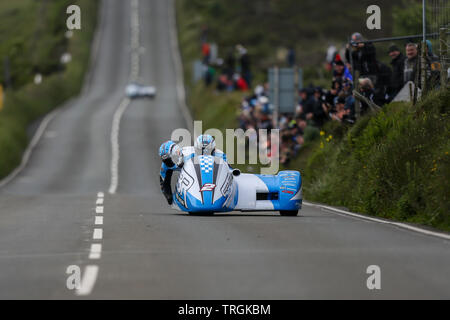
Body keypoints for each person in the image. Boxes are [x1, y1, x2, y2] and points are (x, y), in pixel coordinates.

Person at [158, 135, 227, 205]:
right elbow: (163, 180)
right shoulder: (185, 155)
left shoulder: (221, 155)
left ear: (214, 149)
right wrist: (169, 196)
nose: (204, 155)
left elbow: (229, 172)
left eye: (209, 152)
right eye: (200, 151)